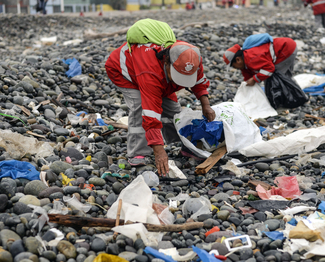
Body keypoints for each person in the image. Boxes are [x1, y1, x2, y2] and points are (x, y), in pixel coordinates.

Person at [105, 20, 214, 177]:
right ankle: (137, 153)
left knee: (173, 111)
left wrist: (206, 106)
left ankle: (181, 144)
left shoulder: (191, 57)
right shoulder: (151, 72)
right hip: (125, 73)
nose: (181, 81)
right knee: (141, 106)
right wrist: (159, 151)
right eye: (178, 76)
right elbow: (151, 115)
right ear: (167, 62)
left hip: (162, 79)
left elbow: (199, 81)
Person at [223, 37, 297, 88]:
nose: (235, 68)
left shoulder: (251, 59)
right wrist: (248, 81)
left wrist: (255, 79)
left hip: (286, 49)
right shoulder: (245, 59)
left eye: (233, 65)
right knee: (286, 76)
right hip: (288, 45)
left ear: (238, 60)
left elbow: (269, 69)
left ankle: (286, 99)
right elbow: (247, 72)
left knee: (276, 77)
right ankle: (296, 93)